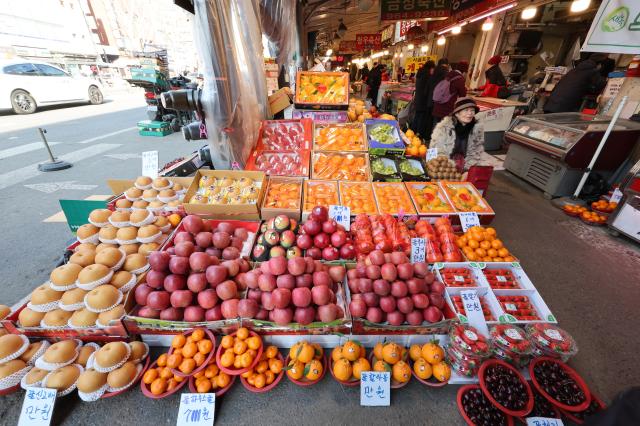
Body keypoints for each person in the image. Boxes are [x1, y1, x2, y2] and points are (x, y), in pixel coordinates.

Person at [429, 97, 485, 176]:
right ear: (457, 113)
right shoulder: (444, 128)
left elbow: (476, 153)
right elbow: (436, 150)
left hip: (464, 166)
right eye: (466, 110)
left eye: (472, 110)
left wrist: (468, 170)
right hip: (445, 167)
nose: (470, 113)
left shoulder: (476, 130)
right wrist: (448, 169)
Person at [412, 60, 436, 139]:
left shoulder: (420, 72)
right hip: (423, 100)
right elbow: (427, 89)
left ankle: (413, 132)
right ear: (431, 67)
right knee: (421, 118)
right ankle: (418, 135)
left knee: (417, 116)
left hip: (418, 98)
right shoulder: (427, 75)